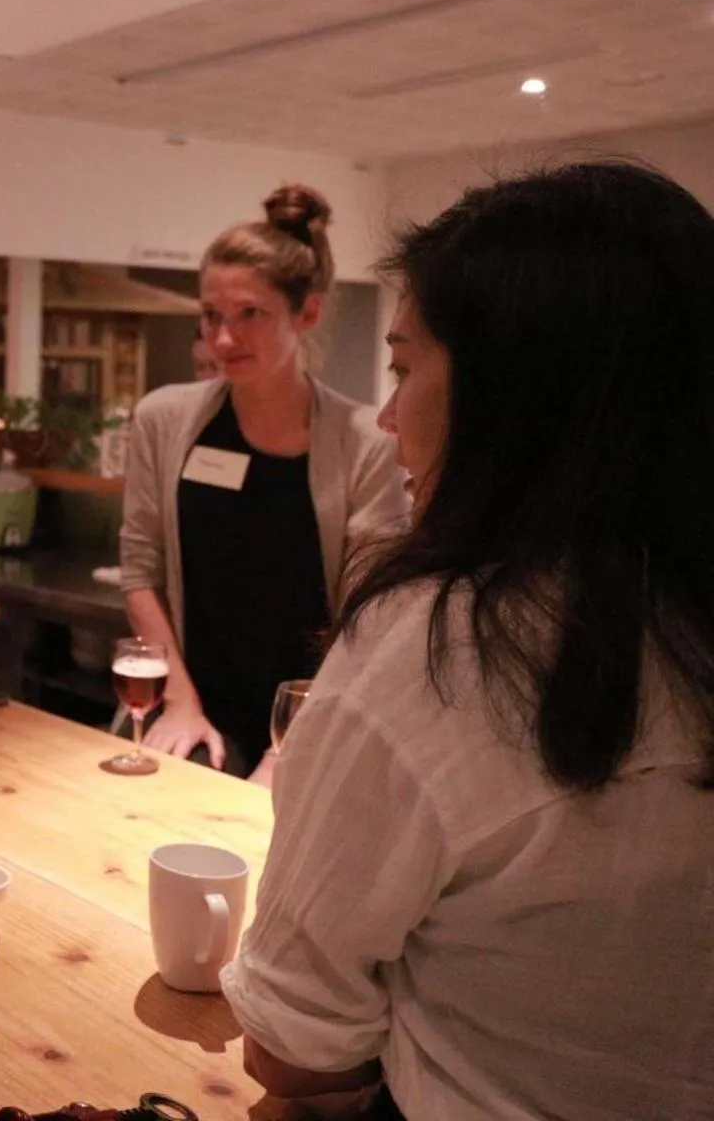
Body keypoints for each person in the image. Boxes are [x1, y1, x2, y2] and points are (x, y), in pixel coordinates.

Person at [223, 161, 714, 1120]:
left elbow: (294, 1044)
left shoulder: (442, 649)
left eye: (406, 369)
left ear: (518, 395)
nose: (392, 418)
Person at [118, 185, 405, 781]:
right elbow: (141, 569)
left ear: (307, 313)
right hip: (191, 706)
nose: (223, 339)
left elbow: (366, 616)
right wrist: (179, 701)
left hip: (313, 717)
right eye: (212, 316)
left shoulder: (365, 443)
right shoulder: (164, 418)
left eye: (250, 314)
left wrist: (287, 744)